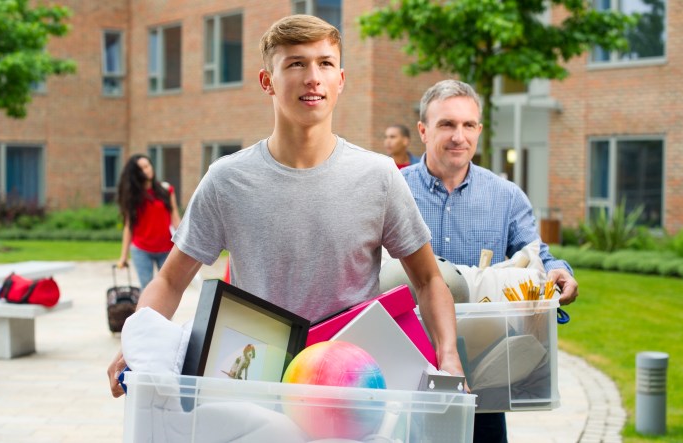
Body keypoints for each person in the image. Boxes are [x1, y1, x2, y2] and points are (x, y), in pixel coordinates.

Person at [107, 15, 465, 397]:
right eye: (296, 63)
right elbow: (169, 279)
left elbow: (428, 280)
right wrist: (137, 343)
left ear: (340, 80)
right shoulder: (227, 179)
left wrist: (448, 355)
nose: (313, 77)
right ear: (267, 81)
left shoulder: (379, 175)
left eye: (325, 63)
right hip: (257, 382)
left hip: (353, 385)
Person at [401, 79, 579, 443]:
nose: (458, 136)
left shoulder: (506, 197)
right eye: (446, 124)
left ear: (479, 130)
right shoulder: (394, 188)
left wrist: (560, 271)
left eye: (469, 125)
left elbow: (536, 258)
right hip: (407, 356)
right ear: (423, 130)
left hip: (483, 370)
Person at [116, 154, 181, 289]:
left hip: (166, 248)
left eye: (148, 165)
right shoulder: (132, 196)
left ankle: (164, 311)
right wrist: (123, 256)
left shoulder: (166, 190)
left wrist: (184, 244)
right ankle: (147, 311)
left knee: (168, 287)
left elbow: (175, 218)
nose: (147, 170)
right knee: (147, 287)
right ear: (136, 173)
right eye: (142, 168)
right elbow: (128, 226)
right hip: (141, 250)